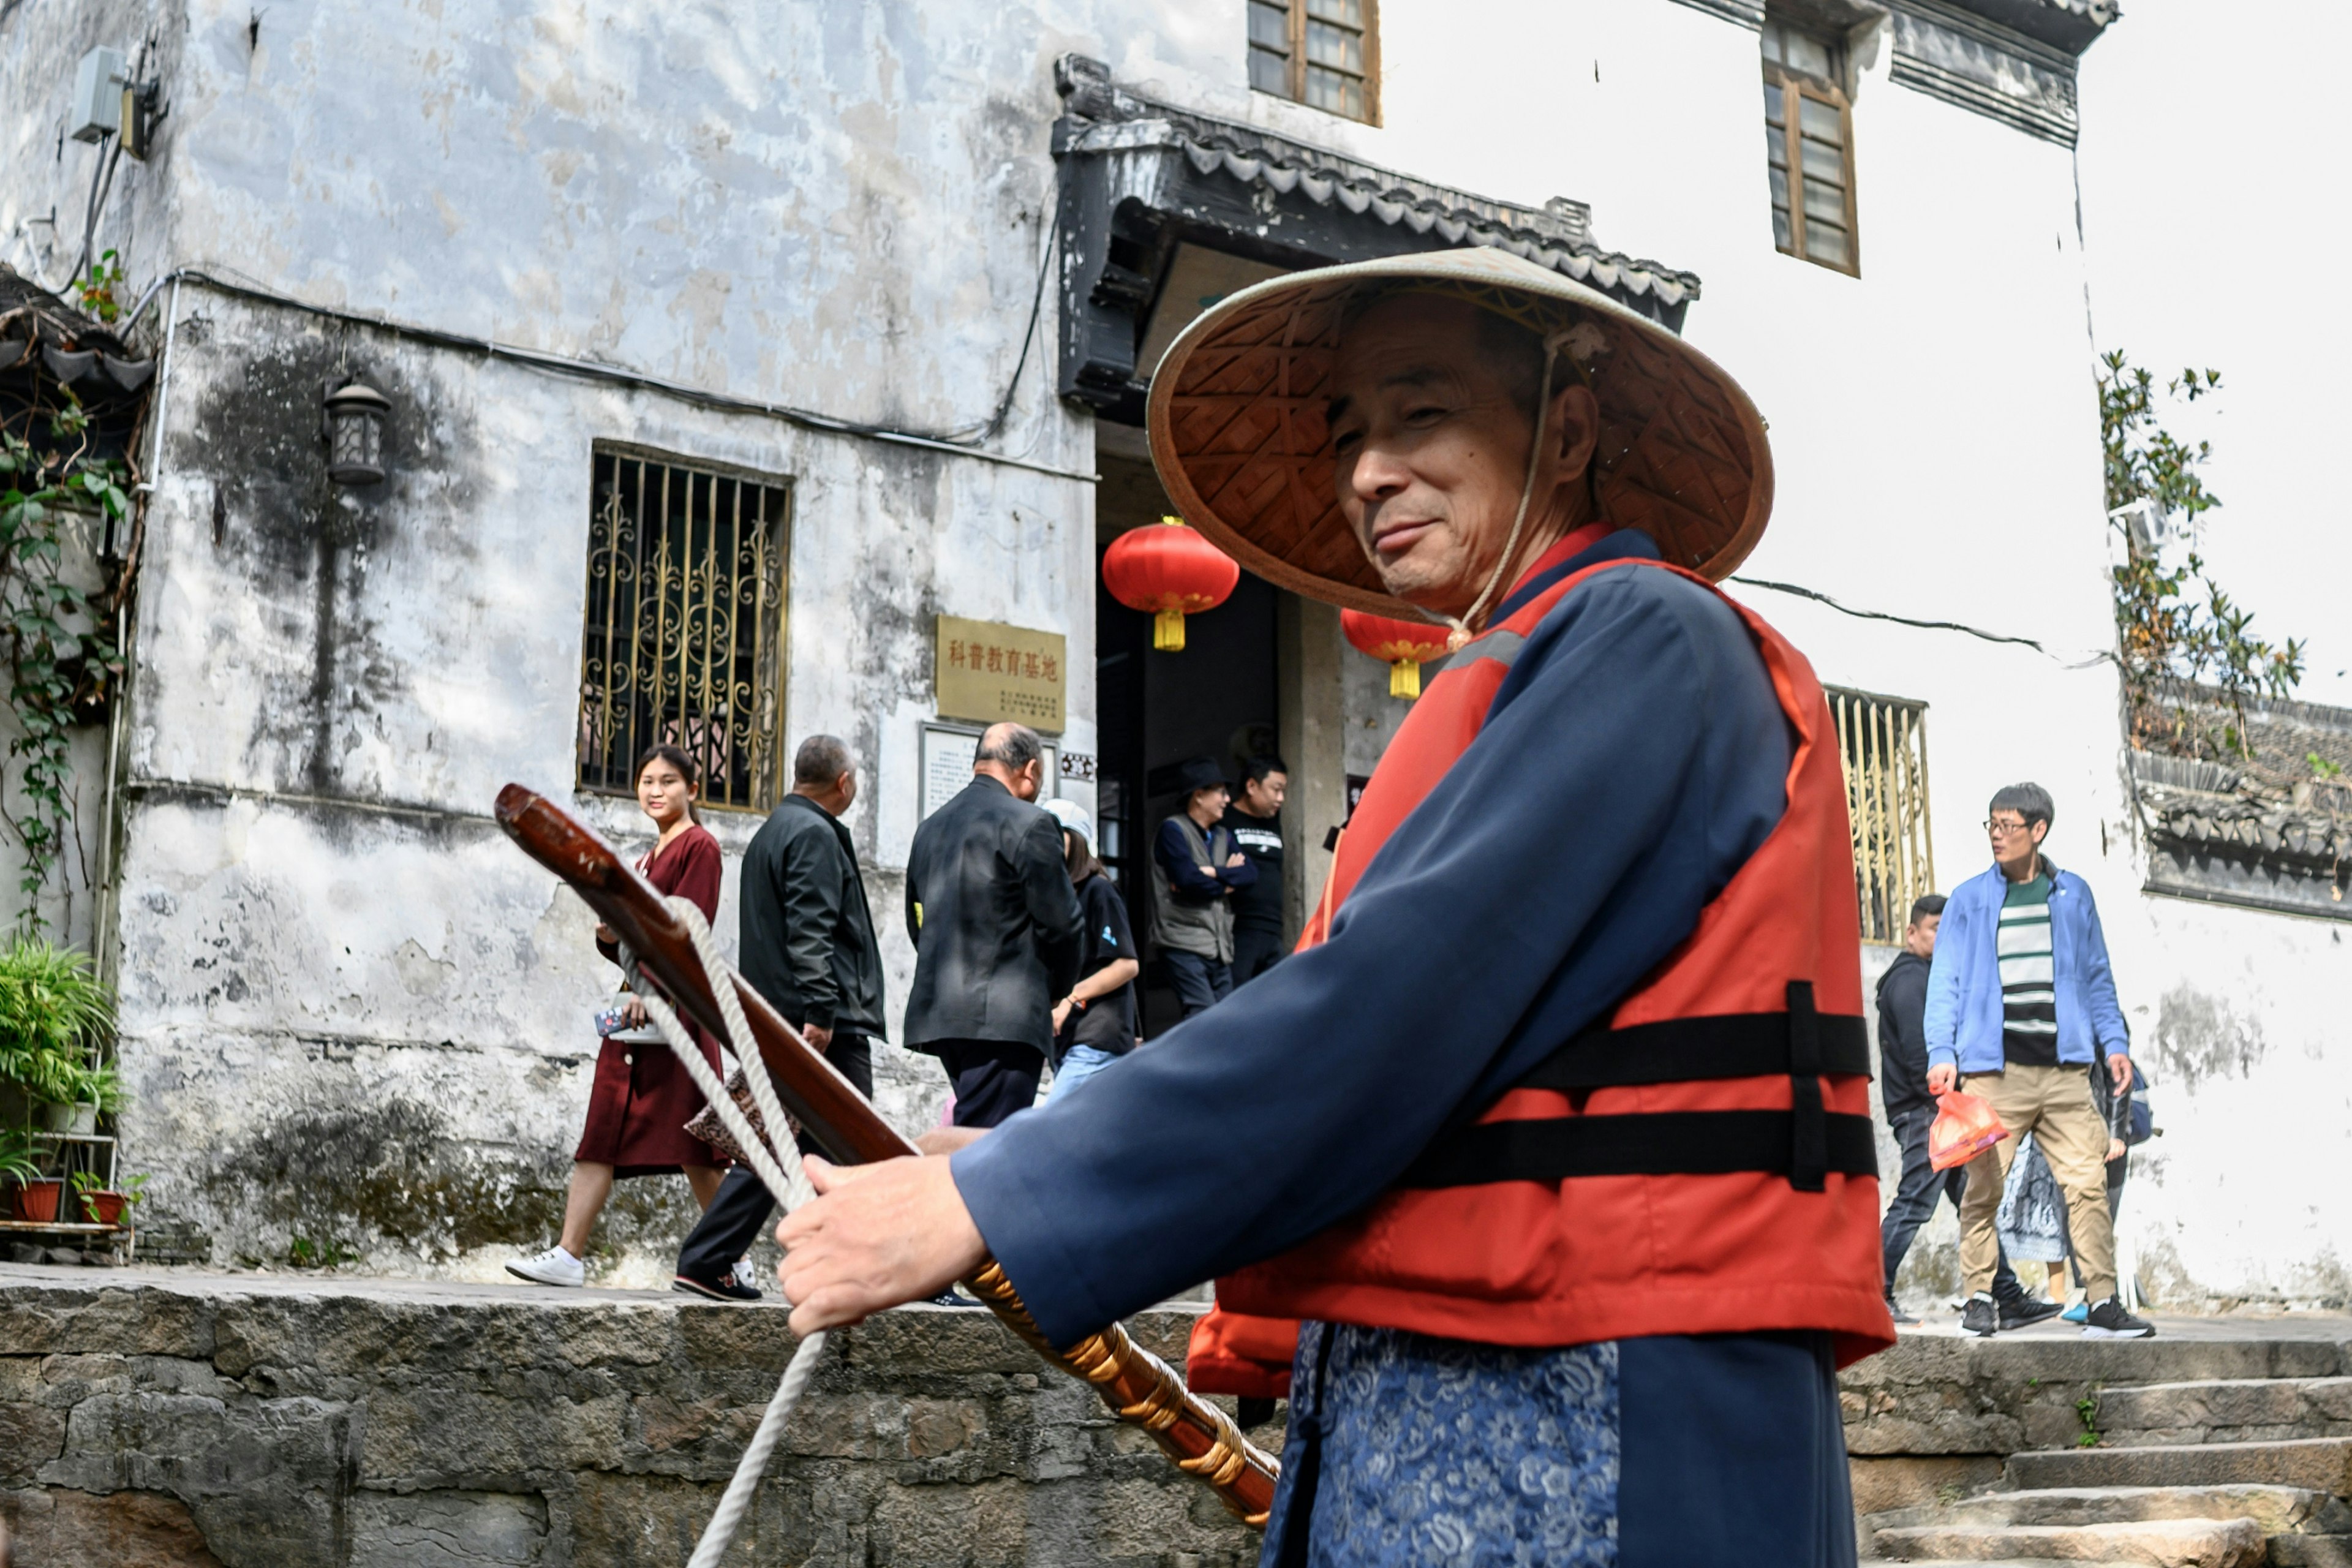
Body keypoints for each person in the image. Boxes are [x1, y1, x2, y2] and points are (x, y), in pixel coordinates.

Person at [771, 247, 1891, 1563]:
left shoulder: (1646, 638)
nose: (1366, 471)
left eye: (1421, 414)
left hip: (1606, 1393)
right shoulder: (1525, 669)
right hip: (1455, 1369)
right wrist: (1036, 1143)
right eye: (1351, 433)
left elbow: (1396, 1004)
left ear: (1569, 428)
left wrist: (1006, 1195)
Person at [1925, 783, 2155, 1340]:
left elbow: (2098, 978)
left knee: (2089, 1185)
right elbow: (1946, 983)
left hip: (2066, 1072)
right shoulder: (1968, 900)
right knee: (1983, 1188)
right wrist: (1942, 1051)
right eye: (1991, 826)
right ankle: (1980, 1297)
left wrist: (2115, 1044)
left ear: (2038, 830)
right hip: (1993, 1074)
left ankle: (2101, 1303)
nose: (1997, 837)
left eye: (2007, 826)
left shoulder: (2073, 896)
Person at [672, 734, 883, 1302]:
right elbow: (810, 929)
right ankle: (863, 1267)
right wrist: (821, 1010)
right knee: (857, 1146)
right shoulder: (813, 834)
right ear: (844, 784)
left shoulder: (773, 830)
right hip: (818, 1023)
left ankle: (716, 1258)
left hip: (787, 1014)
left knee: (792, 1148)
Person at [509, 744, 728, 1287]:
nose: (655, 790)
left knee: (697, 1146)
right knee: (601, 1134)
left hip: (673, 1013)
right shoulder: (647, 859)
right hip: (636, 1016)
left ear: (692, 791)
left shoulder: (699, 847)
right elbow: (637, 938)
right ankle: (569, 1254)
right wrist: (610, 936)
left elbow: (687, 933)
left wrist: (652, 990)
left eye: (669, 781)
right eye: (647, 780)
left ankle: (734, 1257)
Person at [1876, 894, 2051, 1329]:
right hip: (1926, 1111)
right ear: (1912, 933)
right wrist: (1948, 1100)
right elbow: (1923, 1059)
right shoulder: (1911, 980)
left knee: (1972, 1200)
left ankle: (2005, 1294)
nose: (1941, 935)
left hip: (1936, 1108)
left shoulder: (1926, 977)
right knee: (1917, 1199)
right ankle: (1870, 1293)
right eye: (1933, 927)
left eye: (1945, 927)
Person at [903, 722, 1083, 1127]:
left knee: (975, 1128)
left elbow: (918, 919)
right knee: (985, 1142)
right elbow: (1063, 925)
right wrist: (1057, 991)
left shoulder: (929, 828)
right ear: (1031, 769)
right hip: (1006, 1016)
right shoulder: (1032, 823)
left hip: (941, 1013)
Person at [1039, 798, 1140, 1099]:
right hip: (1066, 1042)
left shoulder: (1100, 891)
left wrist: (1071, 998)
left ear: (1077, 840)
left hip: (1097, 1038)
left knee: (1053, 1126)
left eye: (1057, 835)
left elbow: (1127, 964)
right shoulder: (1056, 897)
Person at [1150, 756, 1256, 1017]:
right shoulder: (1173, 831)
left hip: (1218, 947)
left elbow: (1250, 874)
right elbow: (1188, 881)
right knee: (1202, 1014)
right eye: (1221, 792)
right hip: (1182, 942)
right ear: (1199, 796)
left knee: (1224, 1019)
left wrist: (1214, 873)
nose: (1227, 800)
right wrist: (1226, 883)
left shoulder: (1222, 835)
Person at [1223, 755, 1291, 986]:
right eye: (1276, 789)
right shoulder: (1225, 820)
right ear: (1252, 786)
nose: (1280, 798)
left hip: (1273, 931)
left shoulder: (1274, 821)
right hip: (1239, 931)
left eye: (1283, 791)